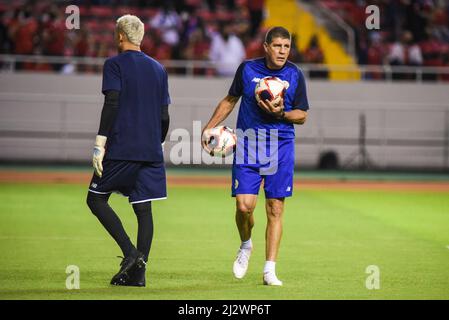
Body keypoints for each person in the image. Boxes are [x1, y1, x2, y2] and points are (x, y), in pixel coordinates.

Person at [202, 26, 309, 286]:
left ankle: (269, 269)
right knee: (244, 206)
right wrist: (209, 127)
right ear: (266, 47)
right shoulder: (248, 69)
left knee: (275, 208)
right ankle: (246, 244)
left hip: (280, 146)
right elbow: (230, 99)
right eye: (278, 46)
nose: (283, 51)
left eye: (287, 46)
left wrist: (281, 114)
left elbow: (302, 114)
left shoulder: (295, 74)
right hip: (249, 144)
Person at [86, 14, 170, 287]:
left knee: (96, 200)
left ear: (120, 36)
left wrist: (100, 142)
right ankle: (139, 274)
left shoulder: (114, 64)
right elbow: (164, 115)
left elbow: (112, 101)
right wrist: (156, 142)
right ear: (141, 37)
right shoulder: (159, 69)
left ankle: (131, 254)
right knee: (143, 210)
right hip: (150, 150)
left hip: (122, 147)